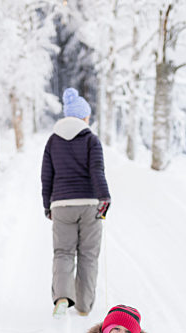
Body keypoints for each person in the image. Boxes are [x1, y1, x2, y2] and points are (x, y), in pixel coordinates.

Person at [41, 87, 111, 318]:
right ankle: (83, 306)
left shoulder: (52, 141)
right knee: (88, 254)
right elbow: (97, 171)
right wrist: (105, 198)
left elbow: (46, 176)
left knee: (62, 252)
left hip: (61, 204)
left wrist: (47, 204)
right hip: (90, 204)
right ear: (83, 117)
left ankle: (62, 297)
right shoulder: (91, 139)